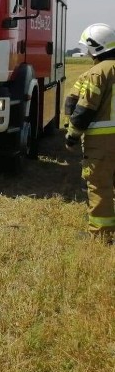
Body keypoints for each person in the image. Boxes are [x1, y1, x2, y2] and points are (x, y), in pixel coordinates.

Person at [65, 22, 115, 244]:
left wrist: (72, 136)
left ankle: (101, 235)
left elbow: (85, 109)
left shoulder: (97, 73)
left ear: (96, 47)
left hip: (103, 142)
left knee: (100, 185)